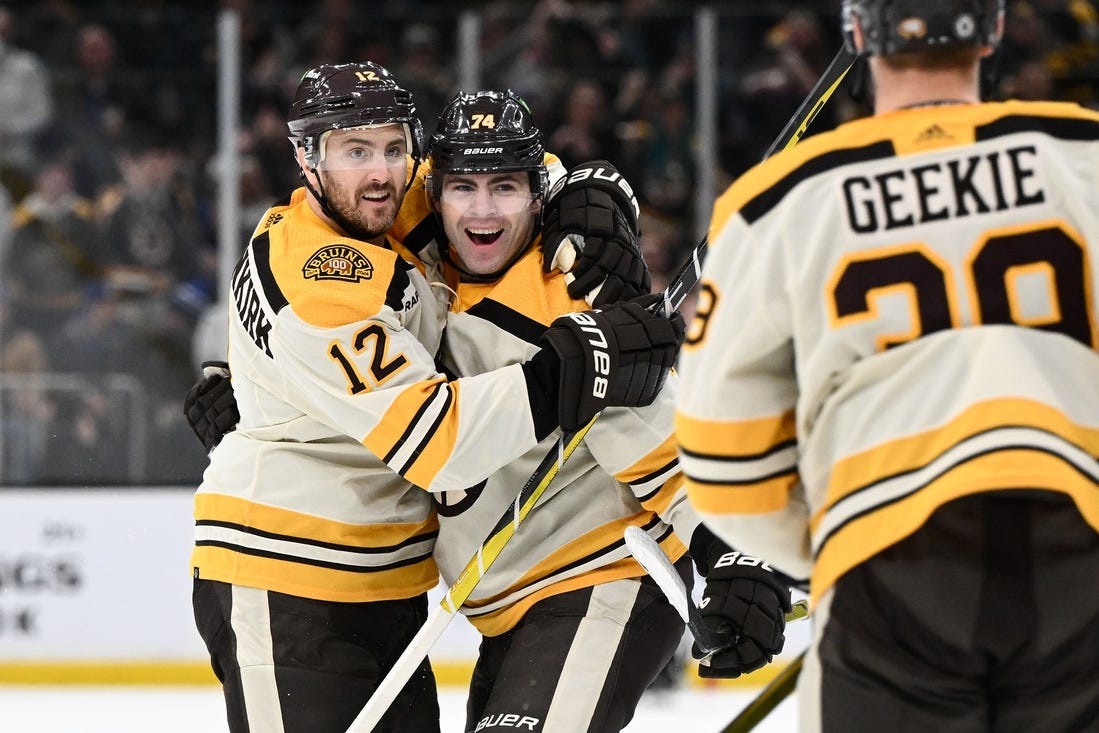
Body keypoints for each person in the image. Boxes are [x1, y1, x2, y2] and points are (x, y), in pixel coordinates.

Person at [186, 89, 794, 732]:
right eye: (463, 187)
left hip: (596, 576)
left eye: (506, 187)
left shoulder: (570, 294)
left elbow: (674, 452)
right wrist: (273, 387)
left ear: (536, 196)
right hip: (498, 606)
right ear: (432, 191)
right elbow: (328, 315)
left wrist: (739, 558)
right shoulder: (400, 232)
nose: (482, 210)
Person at [674, 1, 1099, 731]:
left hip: (887, 567)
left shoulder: (777, 201)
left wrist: (833, 548)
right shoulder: (1084, 155)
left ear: (858, 32)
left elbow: (722, 458)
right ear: (991, 29)